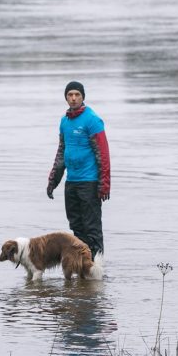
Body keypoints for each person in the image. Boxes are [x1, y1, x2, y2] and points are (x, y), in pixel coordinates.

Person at [46, 81, 111, 259]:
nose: (73, 98)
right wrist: (53, 181)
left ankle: (98, 269)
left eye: (77, 95)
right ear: (66, 98)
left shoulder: (92, 120)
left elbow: (103, 154)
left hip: (89, 182)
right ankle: (83, 264)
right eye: (70, 95)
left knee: (92, 228)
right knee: (76, 227)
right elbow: (61, 152)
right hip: (72, 182)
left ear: (83, 97)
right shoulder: (64, 122)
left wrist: (104, 184)